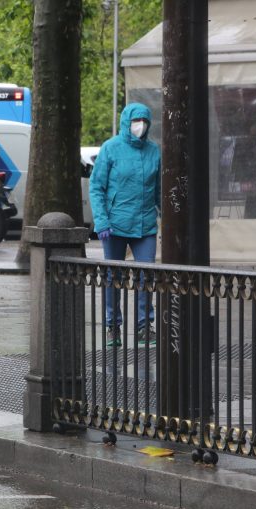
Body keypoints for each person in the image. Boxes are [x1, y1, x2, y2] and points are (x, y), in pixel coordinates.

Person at [89, 102, 161, 348]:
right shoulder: (110, 149)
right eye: (135, 121)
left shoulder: (154, 151)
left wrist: (170, 218)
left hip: (145, 225)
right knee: (112, 277)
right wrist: (101, 221)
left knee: (146, 273)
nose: (139, 126)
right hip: (114, 224)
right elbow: (96, 186)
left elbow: (160, 190)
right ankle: (113, 327)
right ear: (125, 123)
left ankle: (144, 327)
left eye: (143, 121)